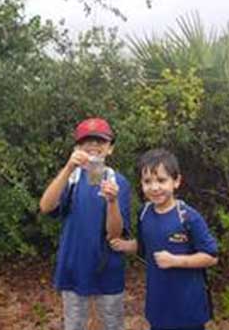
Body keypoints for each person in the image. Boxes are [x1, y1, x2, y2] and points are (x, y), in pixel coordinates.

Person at [110, 148, 218, 330]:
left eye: (161, 180)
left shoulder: (188, 217)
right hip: (158, 304)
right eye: (147, 181)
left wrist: (176, 261)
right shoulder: (144, 213)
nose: (154, 187)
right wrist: (125, 245)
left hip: (188, 307)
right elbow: (146, 248)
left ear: (176, 181)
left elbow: (212, 257)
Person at [40, 117, 131, 330]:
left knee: (112, 324)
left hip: (107, 268)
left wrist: (112, 201)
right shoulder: (70, 179)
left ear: (110, 149)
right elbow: (45, 206)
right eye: (86, 141)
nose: (93, 146)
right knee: (74, 324)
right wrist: (68, 168)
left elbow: (114, 234)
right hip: (73, 265)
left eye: (100, 141)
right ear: (76, 148)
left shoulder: (119, 182)